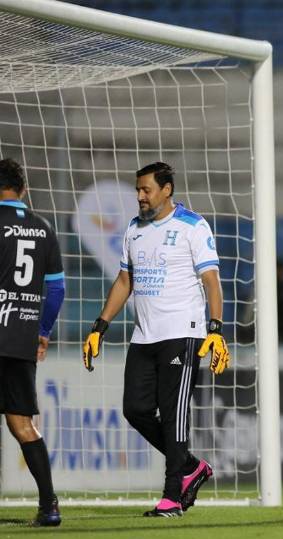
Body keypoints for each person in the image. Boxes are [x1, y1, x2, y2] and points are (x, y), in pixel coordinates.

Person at [82, 162, 230, 517]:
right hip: (144, 336)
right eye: (137, 190)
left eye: (146, 190)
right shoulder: (134, 229)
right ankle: (191, 466)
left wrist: (215, 329)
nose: (140, 196)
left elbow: (211, 280)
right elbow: (124, 281)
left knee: (174, 416)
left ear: (166, 190)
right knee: (134, 409)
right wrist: (99, 327)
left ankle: (173, 496)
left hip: (184, 332)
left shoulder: (193, 226)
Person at [0, 158, 66, 526]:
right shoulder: (44, 228)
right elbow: (56, 289)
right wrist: (42, 331)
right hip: (22, 336)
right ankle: (49, 506)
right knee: (22, 423)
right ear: (23, 189)